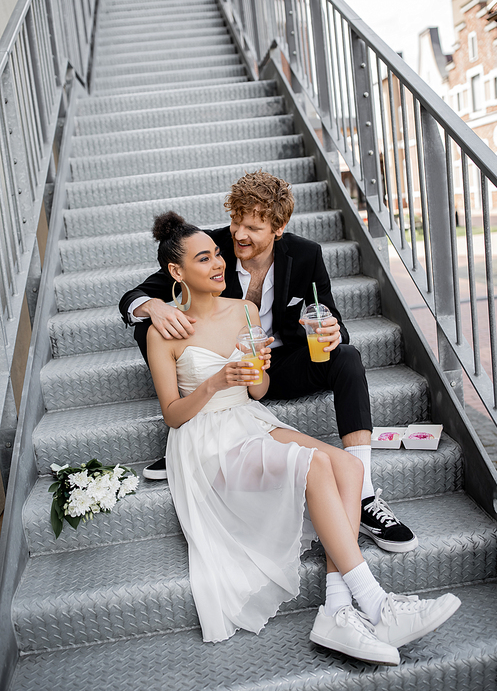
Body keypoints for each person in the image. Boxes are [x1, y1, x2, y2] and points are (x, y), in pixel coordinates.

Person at [145, 210, 460, 663]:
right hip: (205, 440)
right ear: (177, 272)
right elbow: (173, 415)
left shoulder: (246, 310)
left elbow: (260, 391)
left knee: (348, 465)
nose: (218, 263)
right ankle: (375, 603)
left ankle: (336, 608)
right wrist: (215, 382)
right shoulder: (164, 331)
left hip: (248, 417)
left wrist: (255, 373)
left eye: (217, 254)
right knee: (314, 465)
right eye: (203, 258)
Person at [119, 171, 416, 554]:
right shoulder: (212, 250)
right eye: (235, 221)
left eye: (253, 227)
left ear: (279, 227)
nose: (239, 235)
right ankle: (192, 427)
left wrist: (332, 331)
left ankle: (364, 497)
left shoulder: (306, 254)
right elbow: (135, 295)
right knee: (152, 327)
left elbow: (331, 315)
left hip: (280, 366)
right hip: (224, 380)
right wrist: (154, 307)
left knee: (346, 357)